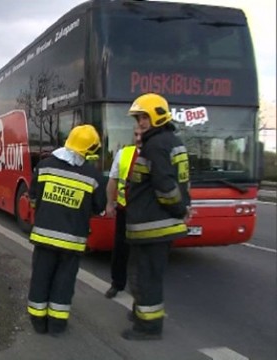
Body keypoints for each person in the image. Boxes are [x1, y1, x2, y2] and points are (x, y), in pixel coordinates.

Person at [122, 93, 191, 341]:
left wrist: (179, 208)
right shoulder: (171, 141)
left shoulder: (155, 145)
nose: (139, 122)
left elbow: (166, 187)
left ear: (157, 116)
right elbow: (181, 183)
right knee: (145, 274)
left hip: (153, 225)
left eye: (143, 117)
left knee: (145, 277)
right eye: (138, 118)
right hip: (158, 224)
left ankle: (148, 327)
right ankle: (142, 314)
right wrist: (183, 208)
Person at [26, 124, 106, 337]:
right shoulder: (94, 177)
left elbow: (33, 198)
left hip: (44, 237)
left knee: (40, 278)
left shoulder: (44, 166)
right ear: (89, 150)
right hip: (72, 242)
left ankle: (38, 321)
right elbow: (99, 208)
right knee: (64, 282)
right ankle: (57, 326)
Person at [104, 125, 143, 299]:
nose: (138, 138)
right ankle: (117, 284)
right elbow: (113, 180)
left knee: (141, 256)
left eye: (141, 134)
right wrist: (109, 204)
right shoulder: (124, 154)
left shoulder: (158, 154)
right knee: (120, 251)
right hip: (124, 211)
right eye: (135, 134)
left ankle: (141, 294)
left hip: (146, 215)